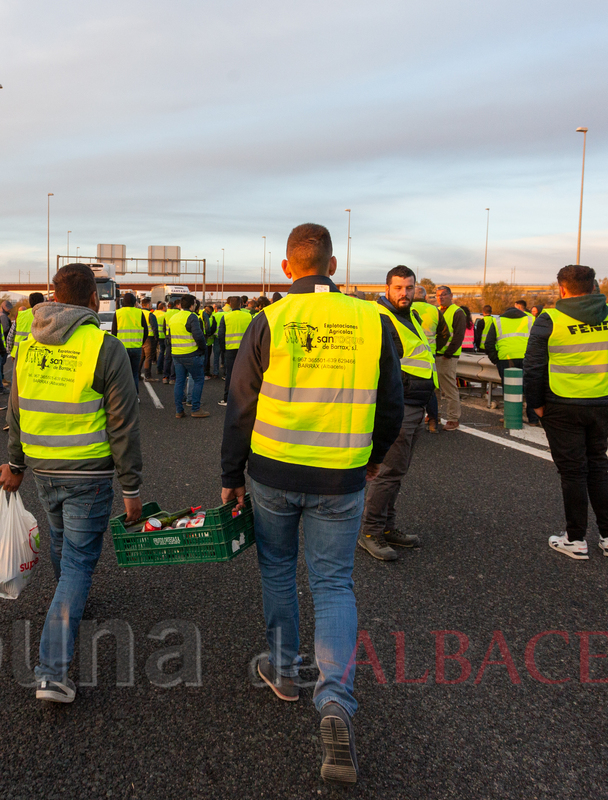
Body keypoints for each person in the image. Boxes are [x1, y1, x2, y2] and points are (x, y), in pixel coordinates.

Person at [220, 223, 402, 785]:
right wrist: (371, 458)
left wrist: (231, 474)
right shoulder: (373, 320)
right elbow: (392, 401)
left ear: (286, 268)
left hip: (273, 471)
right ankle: (335, 704)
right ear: (334, 264)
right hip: (341, 476)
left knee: (278, 570)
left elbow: (240, 405)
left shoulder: (269, 319)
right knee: (333, 584)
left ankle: (282, 670)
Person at [0, 262, 142, 705]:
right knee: (78, 563)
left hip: (43, 469)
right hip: (89, 473)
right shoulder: (103, 345)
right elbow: (123, 425)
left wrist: (15, 463)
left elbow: (15, 412)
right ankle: (52, 671)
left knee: (62, 543)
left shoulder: (30, 345)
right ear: (95, 299)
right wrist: (132, 489)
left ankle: (69, 603)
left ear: (53, 296)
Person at [523, 265, 608, 560]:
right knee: (598, 467)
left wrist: (536, 405)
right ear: (594, 286)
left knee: (572, 472)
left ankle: (575, 538)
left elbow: (533, 366)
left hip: (563, 402)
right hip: (603, 401)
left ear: (562, 289)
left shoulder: (551, 319)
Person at [359, 265, 433, 561]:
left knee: (398, 472)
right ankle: (370, 532)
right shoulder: (380, 317)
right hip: (398, 404)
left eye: (410, 287)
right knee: (387, 473)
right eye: (399, 288)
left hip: (416, 401)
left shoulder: (412, 315)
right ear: (387, 288)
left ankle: (387, 527)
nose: (405, 293)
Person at [483, 298, 539, 423]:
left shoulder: (498, 321)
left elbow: (489, 344)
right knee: (530, 388)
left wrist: (496, 360)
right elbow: (539, 341)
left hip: (506, 359)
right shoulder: (530, 319)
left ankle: (511, 416)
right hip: (527, 358)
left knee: (509, 389)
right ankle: (533, 419)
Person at [166, 295, 208, 417]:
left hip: (176, 354)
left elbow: (169, 336)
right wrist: (203, 348)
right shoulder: (192, 317)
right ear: (192, 305)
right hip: (191, 353)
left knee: (179, 381)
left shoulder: (173, 317)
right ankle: (195, 409)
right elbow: (198, 336)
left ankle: (179, 411)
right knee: (198, 379)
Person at [434, 285, 467, 430]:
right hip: (436, 354)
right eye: (438, 295)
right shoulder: (437, 311)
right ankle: (434, 415)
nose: (440, 297)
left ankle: (453, 418)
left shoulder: (457, 312)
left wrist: (448, 353)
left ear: (451, 295)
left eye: (443, 294)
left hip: (448, 356)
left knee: (449, 388)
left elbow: (459, 335)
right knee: (434, 388)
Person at [410, 287, 440, 433]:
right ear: (426, 296)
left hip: (408, 354)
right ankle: (433, 420)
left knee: (405, 387)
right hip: (429, 354)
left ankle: (409, 421)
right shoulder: (434, 310)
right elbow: (444, 332)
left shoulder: (406, 307)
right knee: (429, 388)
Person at [110, 292, 147, 392]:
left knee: (122, 374)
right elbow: (146, 330)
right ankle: (135, 396)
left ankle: (124, 397)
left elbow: (114, 332)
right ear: (134, 302)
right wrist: (141, 342)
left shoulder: (118, 313)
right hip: (136, 348)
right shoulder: (139, 313)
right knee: (134, 373)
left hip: (122, 348)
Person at [218, 296, 250, 406]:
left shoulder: (225, 317)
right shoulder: (248, 316)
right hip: (245, 349)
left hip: (230, 349)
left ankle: (227, 398)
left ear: (230, 305)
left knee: (230, 375)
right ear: (241, 304)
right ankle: (245, 398)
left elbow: (221, 335)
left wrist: (223, 349)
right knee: (246, 374)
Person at [140, 298, 159, 380]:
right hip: (149, 338)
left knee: (141, 357)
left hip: (139, 337)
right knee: (148, 357)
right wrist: (156, 338)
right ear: (148, 305)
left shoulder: (138, 313)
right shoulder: (150, 314)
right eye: (150, 304)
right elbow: (154, 327)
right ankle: (148, 375)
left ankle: (137, 374)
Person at [211, 302, 227, 378]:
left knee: (216, 356)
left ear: (216, 309)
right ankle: (225, 372)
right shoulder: (227, 315)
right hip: (225, 337)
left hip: (216, 337)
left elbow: (212, 326)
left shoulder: (214, 315)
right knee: (225, 355)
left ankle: (215, 372)